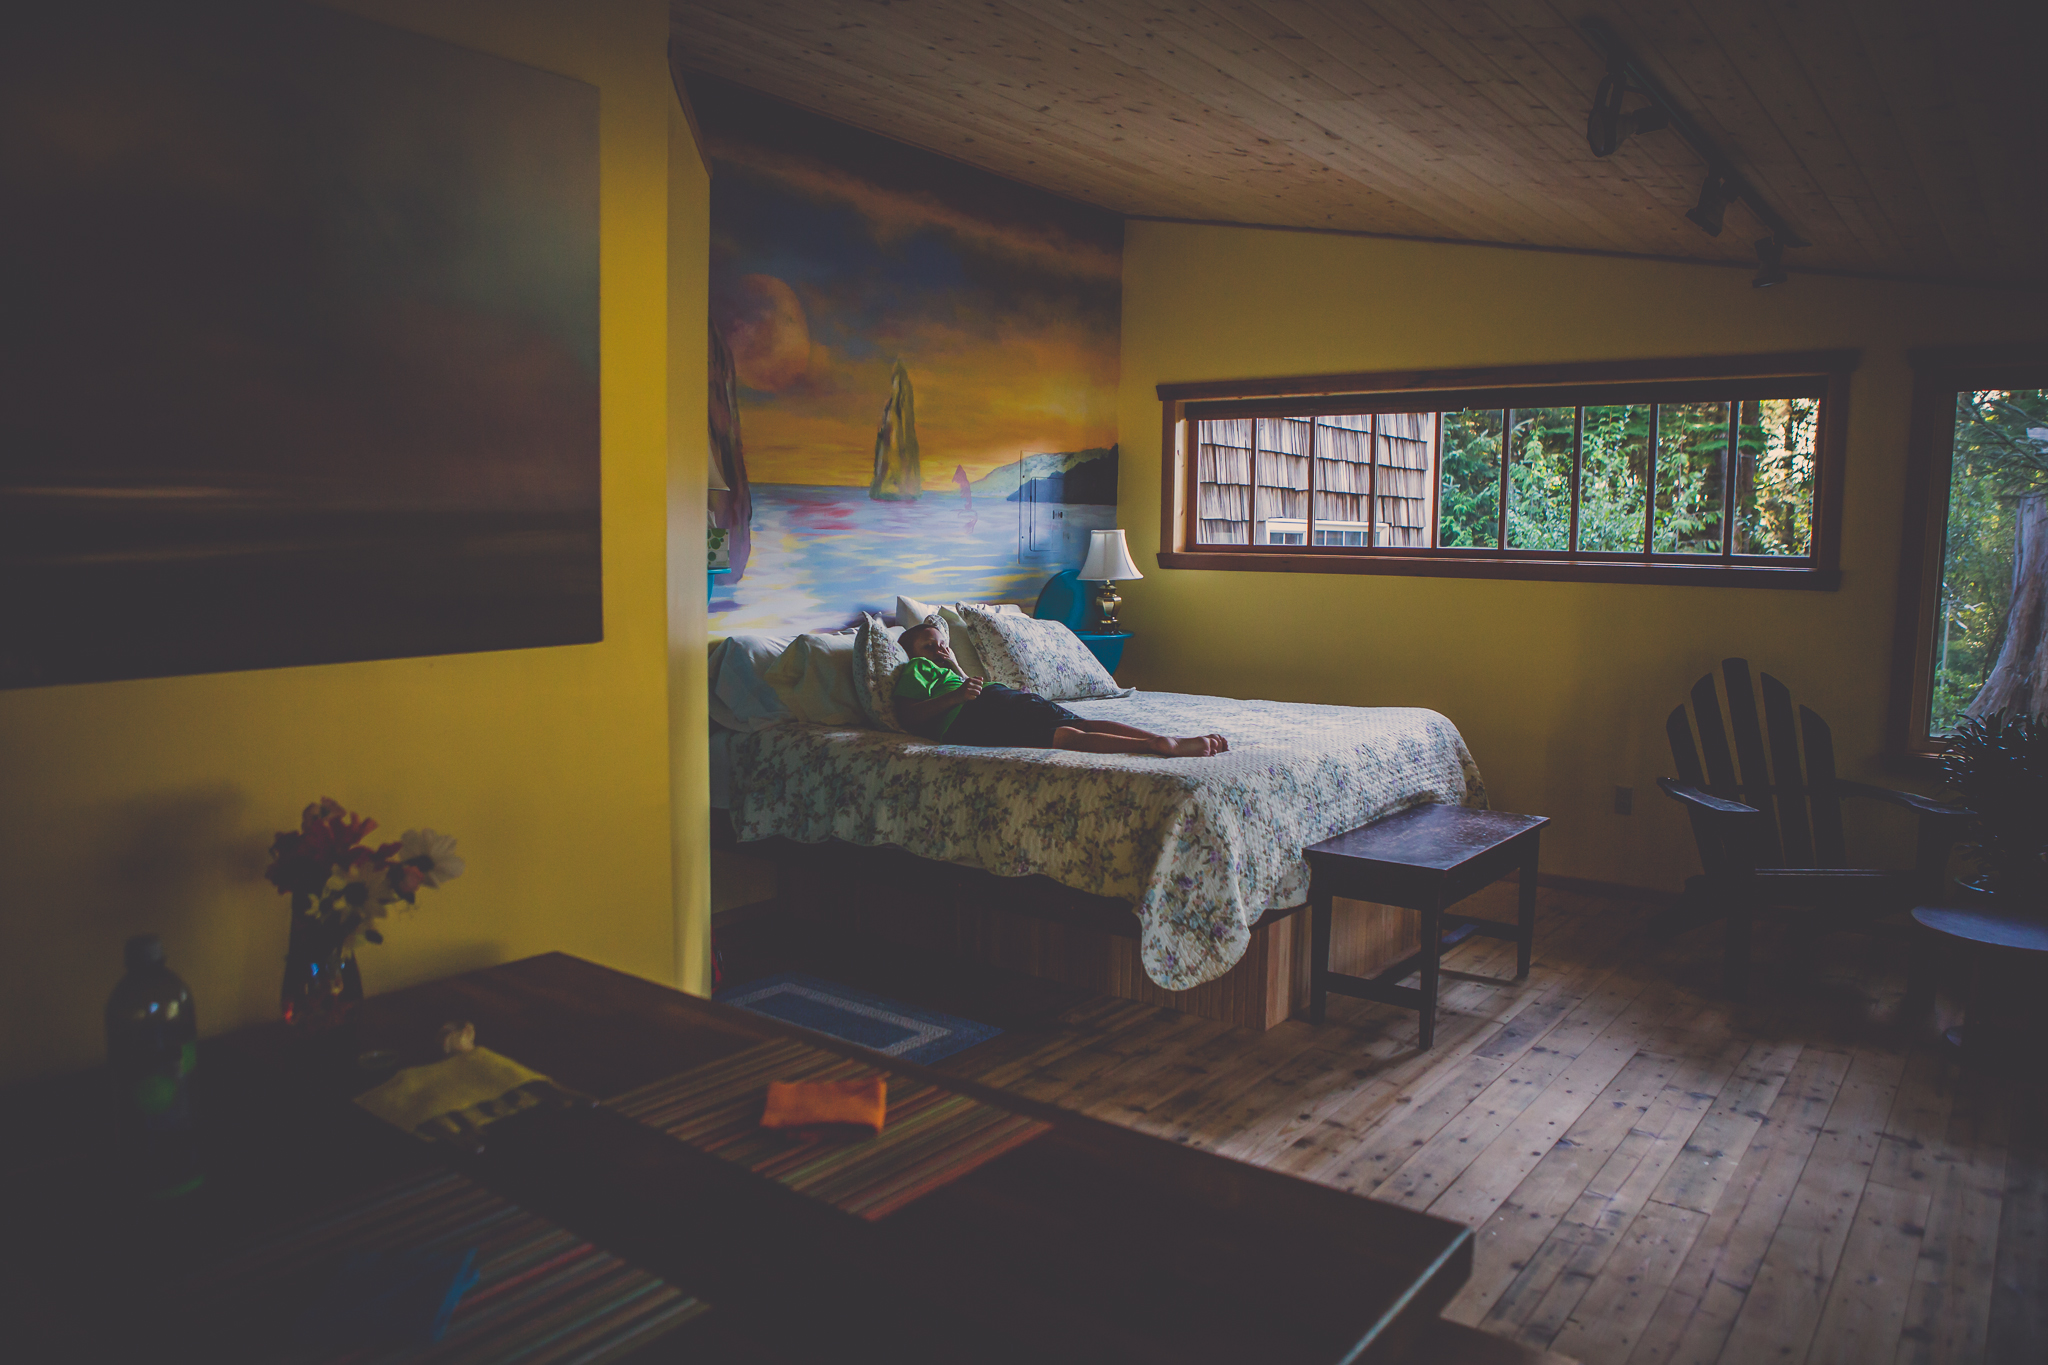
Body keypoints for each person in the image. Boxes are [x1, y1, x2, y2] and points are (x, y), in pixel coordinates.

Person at [892, 621, 1227, 757]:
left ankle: (1161, 740)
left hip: (998, 701)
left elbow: (968, 686)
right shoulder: (915, 668)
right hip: (972, 717)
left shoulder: (946, 668)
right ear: (911, 653)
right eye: (929, 646)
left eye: (942, 644)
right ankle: (1155, 744)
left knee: (1079, 726)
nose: (939, 650)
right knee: (1069, 734)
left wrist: (954, 666)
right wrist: (956, 695)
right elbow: (908, 716)